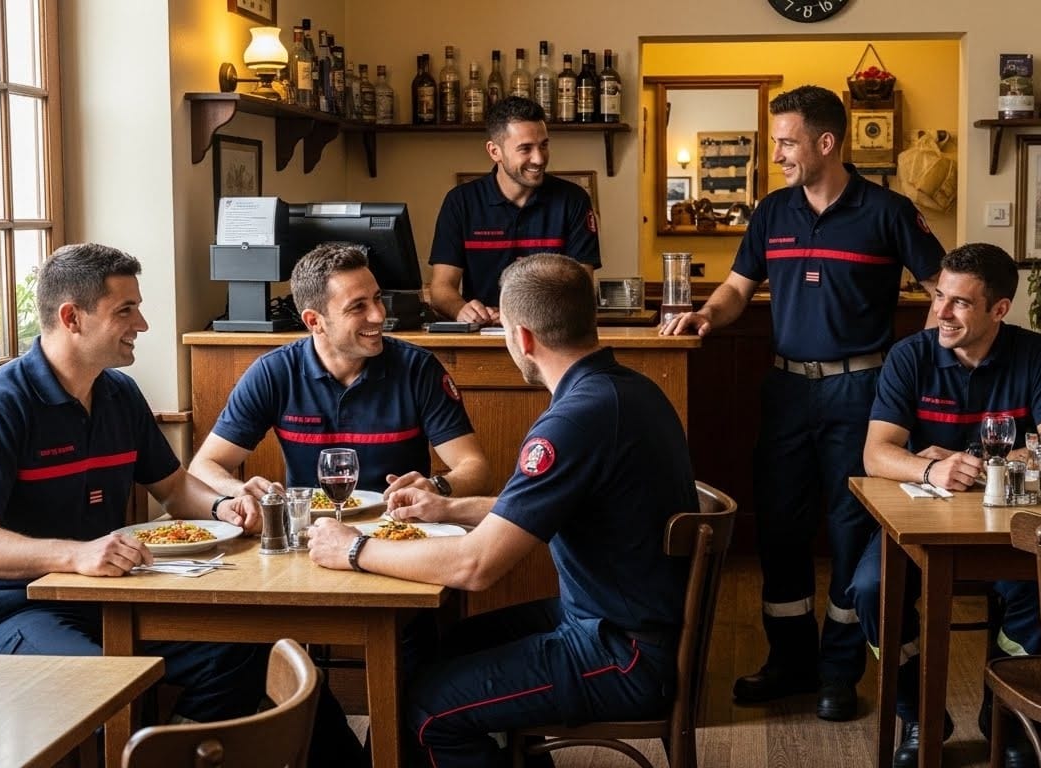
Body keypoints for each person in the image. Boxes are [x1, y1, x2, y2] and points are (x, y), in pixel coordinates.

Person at [307, 253, 697, 767]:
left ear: (523, 337)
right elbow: (559, 505)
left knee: (428, 706)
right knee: (446, 647)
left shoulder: (575, 421)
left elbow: (475, 566)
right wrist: (448, 506)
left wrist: (353, 548)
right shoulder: (626, 389)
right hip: (621, 621)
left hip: (623, 653)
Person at [660, 84, 946, 721]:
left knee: (848, 534)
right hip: (786, 390)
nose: (778, 154)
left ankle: (838, 673)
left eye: (787, 142)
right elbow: (737, 289)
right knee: (782, 531)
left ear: (826, 142)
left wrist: (918, 360)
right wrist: (705, 315)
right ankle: (790, 661)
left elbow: (941, 290)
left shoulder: (889, 211)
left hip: (861, 392)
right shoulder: (771, 213)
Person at [0, 243, 266, 719]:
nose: (141, 324)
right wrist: (75, 555)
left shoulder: (120, 393)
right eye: (126, 310)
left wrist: (225, 506)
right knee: (111, 688)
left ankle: (172, 753)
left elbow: (176, 489)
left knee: (239, 650)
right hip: (3, 609)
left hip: (107, 598)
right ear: (71, 317)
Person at [849, 242, 1041, 768]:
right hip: (919, 518)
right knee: (870, 590)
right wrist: (930, 468)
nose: (941, 312)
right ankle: (917, 714)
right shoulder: (911, 354)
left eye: (959, 303)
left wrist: (972, 458)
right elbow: (875, 453)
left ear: (999, 309)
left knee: (1037, 587)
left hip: (1009, 521)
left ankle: (1003, 713)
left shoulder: (1034, 353)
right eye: (939, 297)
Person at [191, 243, 489, 501]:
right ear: (314, 321)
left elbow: (474, 467)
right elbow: (205, 466)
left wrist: (437, 486)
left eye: (376, 298)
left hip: (398, 530)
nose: (378, 315)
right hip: (311, 534)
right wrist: (235, 489)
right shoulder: (273, 372)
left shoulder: (418, 368)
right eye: (358, 307)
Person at [428, 96, 601, 326]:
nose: (539, 158)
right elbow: (441, 288)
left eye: (544, 145)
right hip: (483, 335)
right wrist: (462, 310)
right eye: (525, 149)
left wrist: (519, 319)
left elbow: (582, 289)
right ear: (494, 151)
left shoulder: (574, 200)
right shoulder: (460, 202)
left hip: (551, 336)